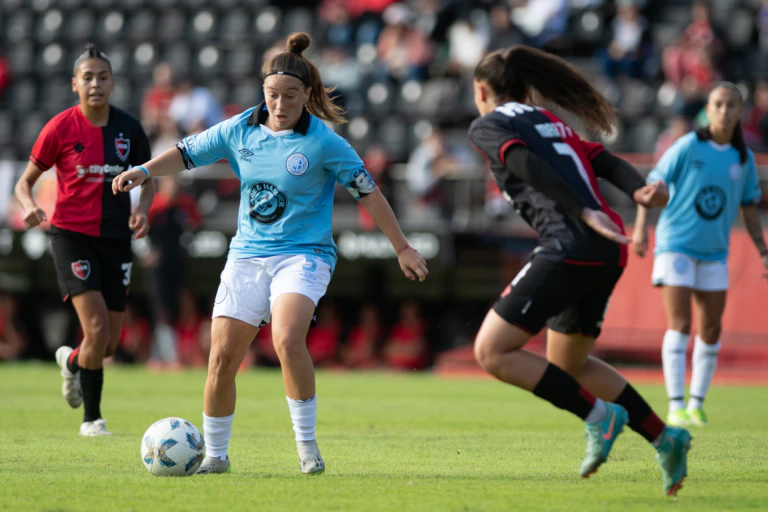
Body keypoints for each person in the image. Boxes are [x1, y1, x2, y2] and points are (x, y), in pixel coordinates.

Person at [112, 32, 428, 476]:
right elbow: (186, 154)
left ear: (307, 95)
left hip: (305, 255)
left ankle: (306, 446)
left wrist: (403, 247)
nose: (280, 105)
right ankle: (216, 456)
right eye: (273, 95)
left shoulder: (325, 142)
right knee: (221, 357)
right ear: (263, 92)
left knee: (285, 337)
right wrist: (144, 170)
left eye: (291, 96)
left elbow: (369, 193)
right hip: (247, 256)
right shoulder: (239, 128)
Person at [468, 45, 689, 497]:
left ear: (482, 90)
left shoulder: (491, 123)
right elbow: (603, 160)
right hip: (608, 252)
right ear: (526, 88)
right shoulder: (553, 122)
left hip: (569, 245)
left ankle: (599, 418)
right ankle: (666, 438)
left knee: (492, 351)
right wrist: (640, 189)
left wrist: (583, 209)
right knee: (569, 363)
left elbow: (522, 163)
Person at [13, 44, 154, 436]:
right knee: (95, 331)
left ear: (113, 83)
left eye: (102, 77)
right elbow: (23, 183)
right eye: (88, 77)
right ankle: (92, 419)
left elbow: (150, 178)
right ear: (74, 84)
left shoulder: (130, 129)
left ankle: (72, 362)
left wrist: (142, 210)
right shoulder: (60, 127)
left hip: (115, 240)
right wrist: (27, 206)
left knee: (107, 344)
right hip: (72, 236)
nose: (95, 84)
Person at [633, 83, 767, 428]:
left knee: (710, 329)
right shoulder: (688, 146)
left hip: (714, 253)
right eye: (718, 105)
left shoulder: (743, 159)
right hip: (676, 244)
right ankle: (675, 404)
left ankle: (697, 403)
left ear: (740, 111)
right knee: (680, 325)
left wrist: (763, 251)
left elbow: (750, 211)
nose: (724, 111)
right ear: (708, 109)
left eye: (731, 105)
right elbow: (651, 185)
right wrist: (639, 229)